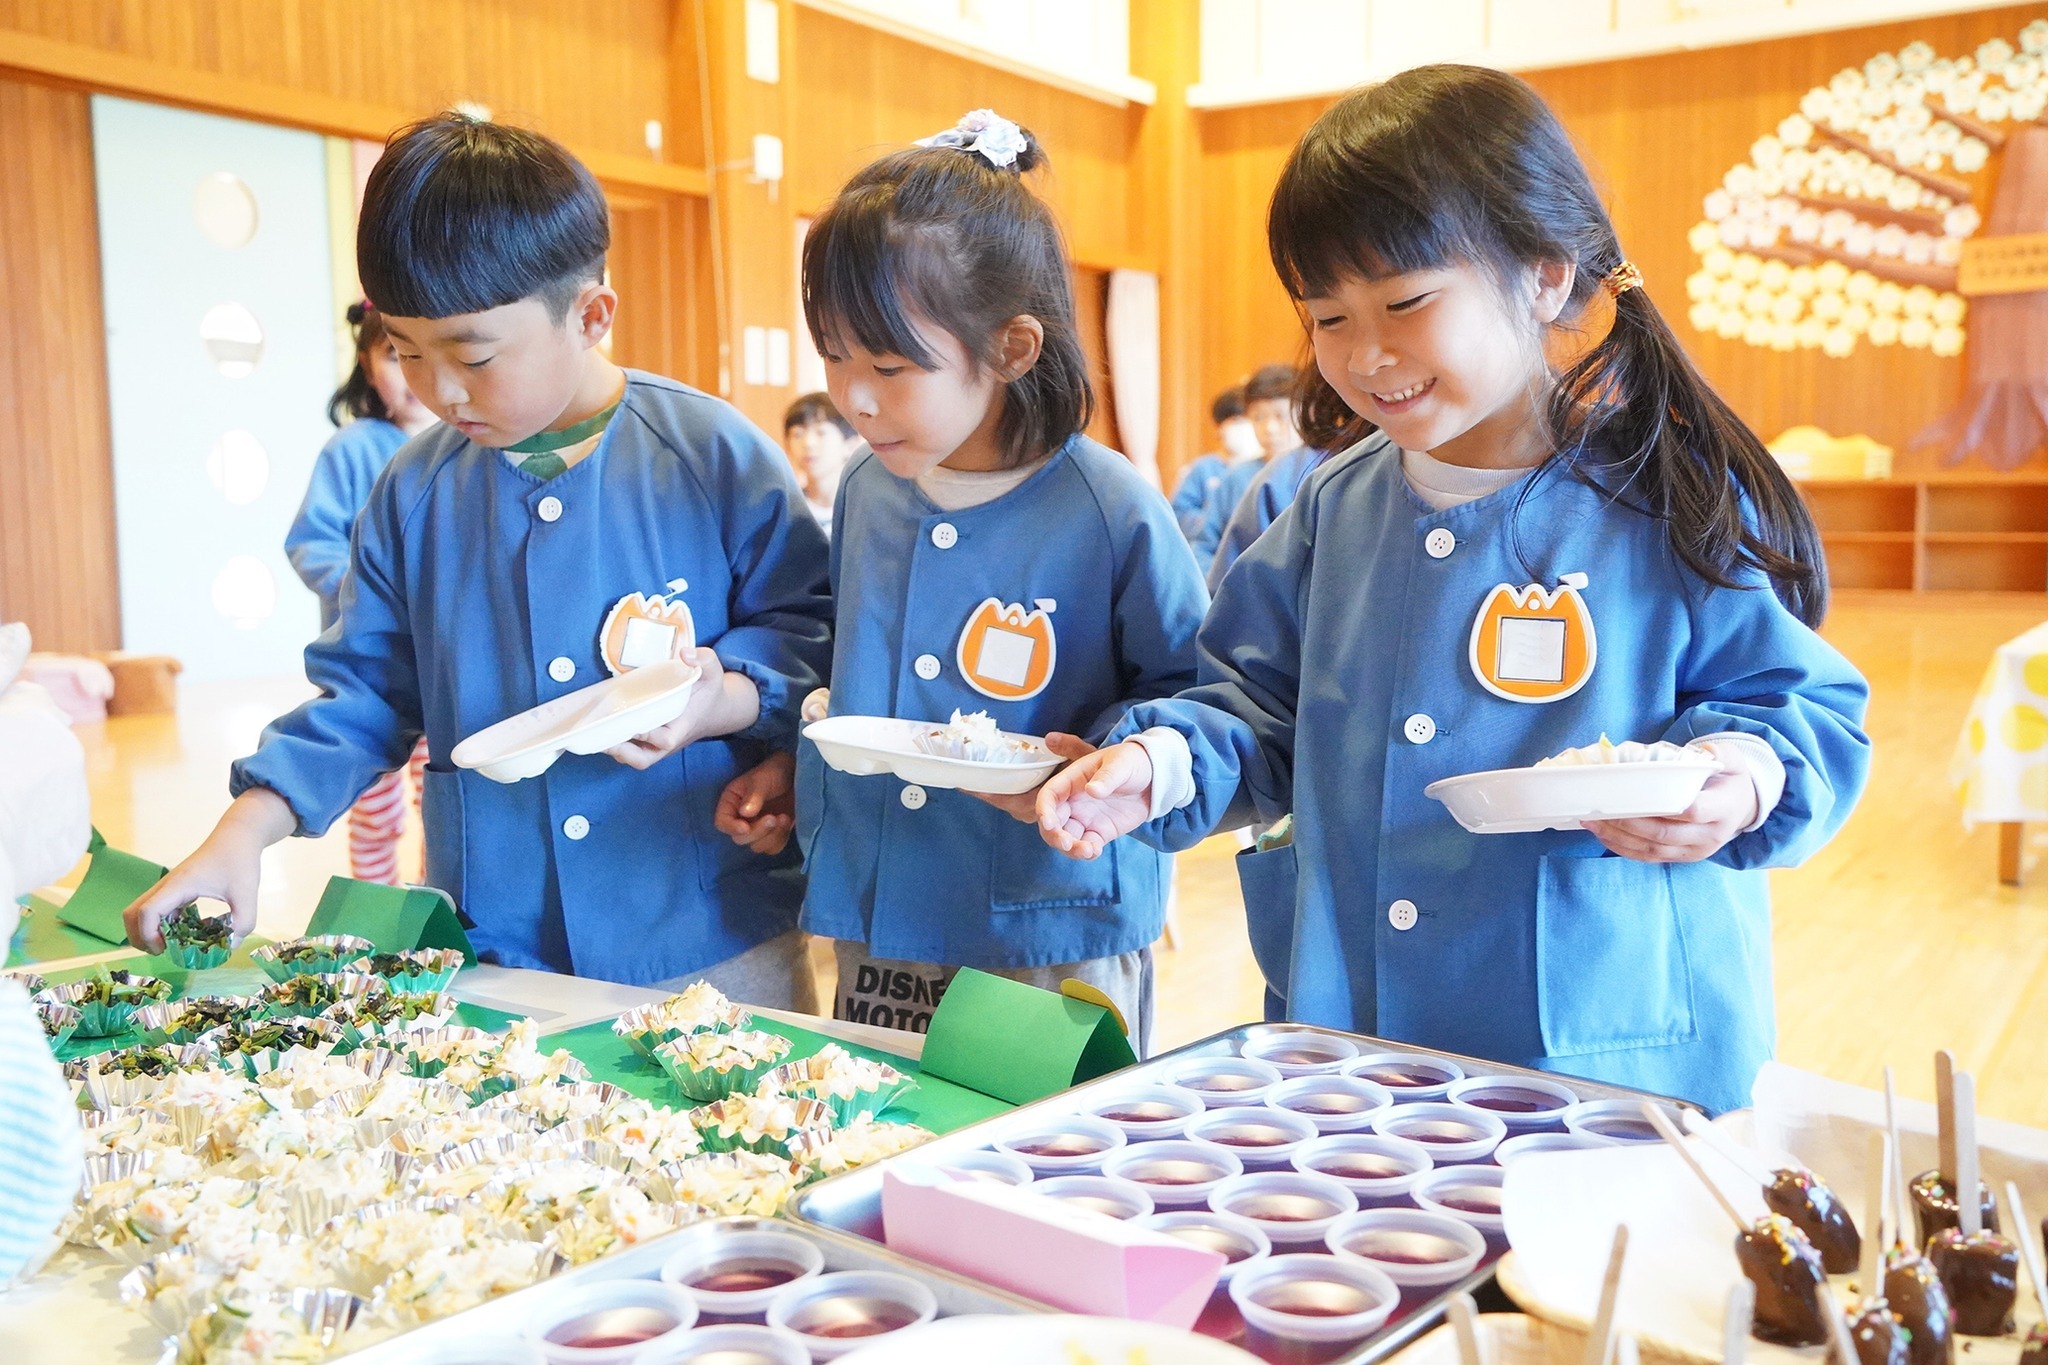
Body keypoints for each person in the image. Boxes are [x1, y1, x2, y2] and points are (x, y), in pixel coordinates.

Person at [1036, 67, 1871, 1112]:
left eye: (1405, 303)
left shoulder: (1662, 494)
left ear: (1542, 276)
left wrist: (1733, 780)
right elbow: (1252, 717)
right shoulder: (1327, 509)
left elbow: (1796, 709)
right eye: (1325, 318)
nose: (1363, 354)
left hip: (1606, 1061)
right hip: (1358, 1047)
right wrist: (1154, 765)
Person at [122, 112, 834, 1005]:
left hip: (708, 932)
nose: (440, 391)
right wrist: (244, 830)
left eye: (473, 355)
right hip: (501, 941)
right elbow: (368, 693)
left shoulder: (709, 453)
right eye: (406, 353)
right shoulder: (412, 490)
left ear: (591, 315)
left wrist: (722, 698)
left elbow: (813, 629)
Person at [792, 110, 1208, 1047]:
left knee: (1056, 1166)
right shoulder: (867, 486)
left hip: (1049, 920)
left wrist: (1117, 760)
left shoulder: (1108, 505)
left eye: (891, 364)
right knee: (887, 1144)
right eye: (834, 355)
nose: (853, 397)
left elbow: (1197, 693)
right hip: (884, 908)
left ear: (1012, 349)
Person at [286, 301, 439, 885]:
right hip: (370, 670)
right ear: (367, 362)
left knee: (442, 802)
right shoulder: (352, 449)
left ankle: (434, 906)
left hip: (442, 669)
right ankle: (374, 910)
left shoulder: (468, 444)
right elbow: (312, 541)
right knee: (374, 804)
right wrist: (364, 589)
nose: (413, 374)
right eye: (396, 356)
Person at [1188, 362, 1299, 566]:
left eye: (1280, 416)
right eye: (1258, 418)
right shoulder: (1236, 478)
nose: (1270, 428)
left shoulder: (1323, 472)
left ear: (1304, 413)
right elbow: (1205, 546)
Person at [1169, 386, 1259, 547]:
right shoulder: (1203, 469)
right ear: (1220, 427)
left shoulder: (1262, 469)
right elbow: (1179, 513)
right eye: (1235, 421)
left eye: (1248, 420)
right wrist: (1212, 521)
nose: (1243, 427)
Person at [782, 391, 859, 531]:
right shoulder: (785, 510)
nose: (808, 443)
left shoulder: (866, 509)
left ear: (850, 444)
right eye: (797, 434)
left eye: (821, 432)